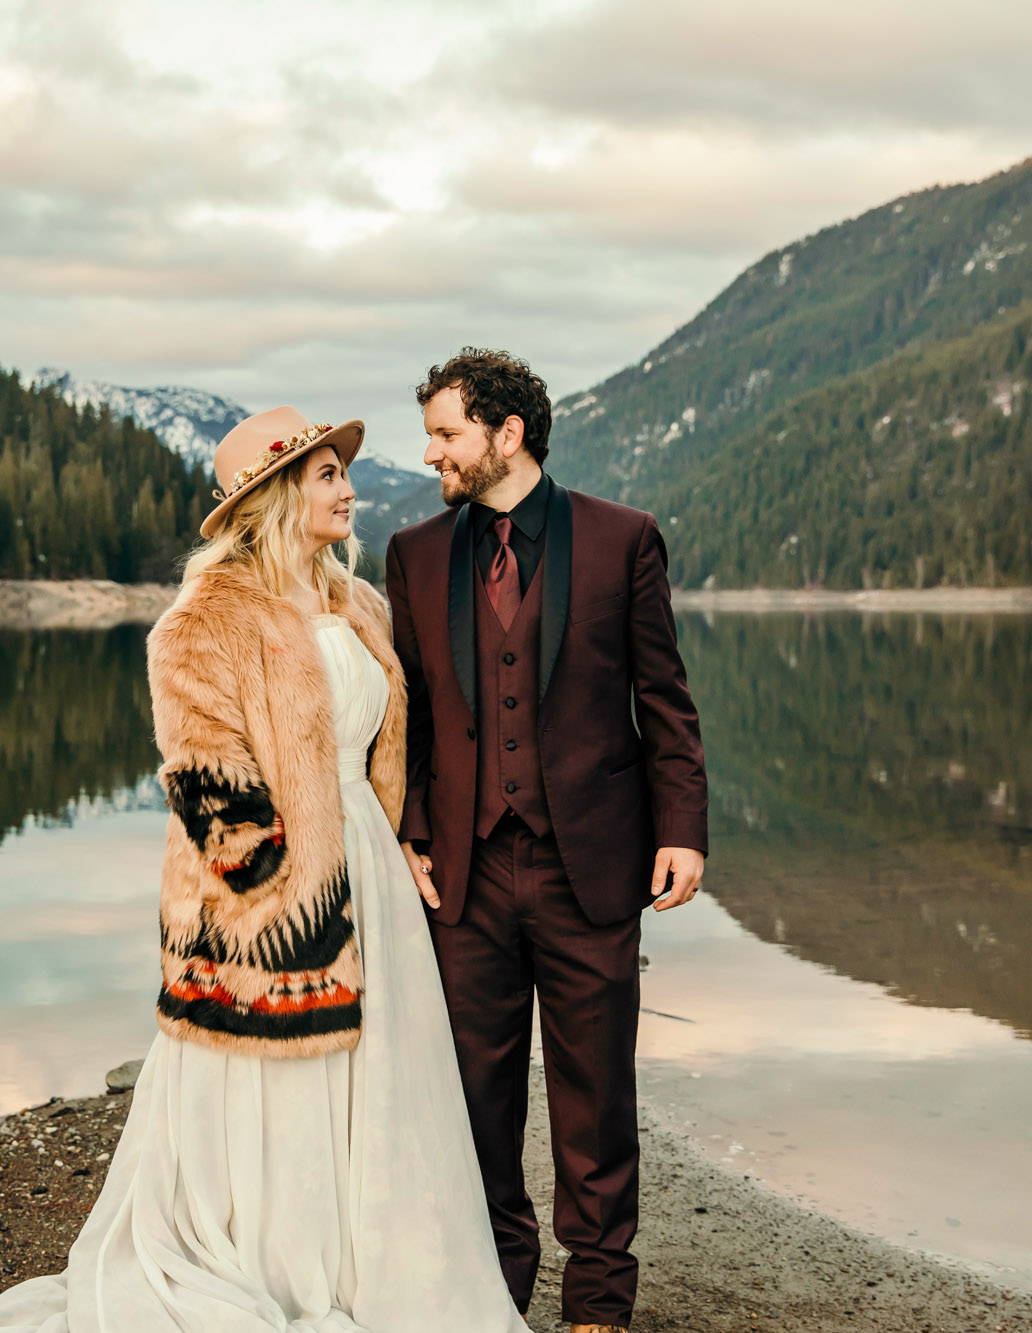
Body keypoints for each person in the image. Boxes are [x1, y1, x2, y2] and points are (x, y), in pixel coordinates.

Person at [0, 406, 528, 1332]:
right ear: (278, 494)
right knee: (283, 1093)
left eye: (341, 474)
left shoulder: (359, 604)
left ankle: (379, 1269)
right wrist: (278, 890)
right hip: (274, 898)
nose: (349, 490)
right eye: (327, 476)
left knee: (382, 1086)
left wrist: (401, 838)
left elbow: (393, 741)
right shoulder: (205, 616)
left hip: (371, 868)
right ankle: (285, 1266)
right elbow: (205, 776)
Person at [384, 349, 710, 1333]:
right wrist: (405, 830)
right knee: (474, 1104)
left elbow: (664, 701)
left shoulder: (621, 541)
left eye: (446, 433)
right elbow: (407, 717)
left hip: (591, 867)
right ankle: (491, 1291)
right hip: (465, 872)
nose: (431, 452)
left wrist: (682, 831)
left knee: (594, 1099)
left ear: (504, 434)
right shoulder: (414, 553)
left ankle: (598, 1306)